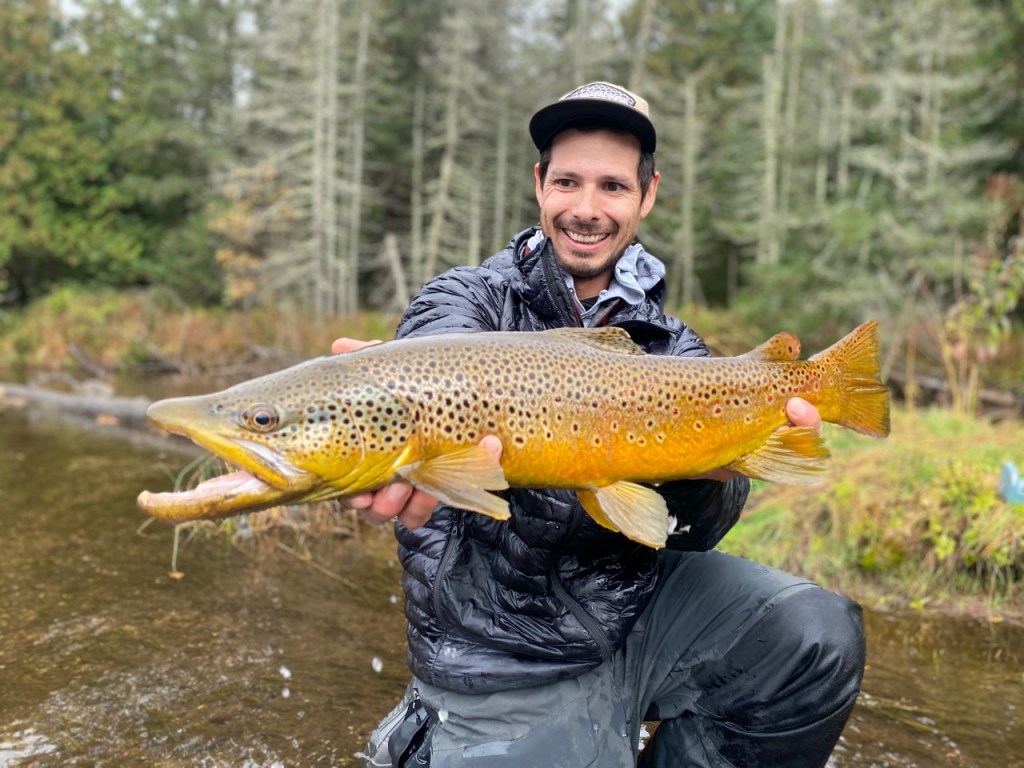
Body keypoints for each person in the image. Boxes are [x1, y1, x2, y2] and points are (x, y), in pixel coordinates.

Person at [335, 82, 865, 768]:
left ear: (647, 195)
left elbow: (703, 529)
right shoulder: (467, 300)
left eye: (613, 186)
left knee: (814, 636)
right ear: (539, 184)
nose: (586, 209)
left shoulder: (674, 348)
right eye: (568, 182)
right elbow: (437, 350)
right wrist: (398, 393)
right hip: (505, 646)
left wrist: (704, 471)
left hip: (633, 612)